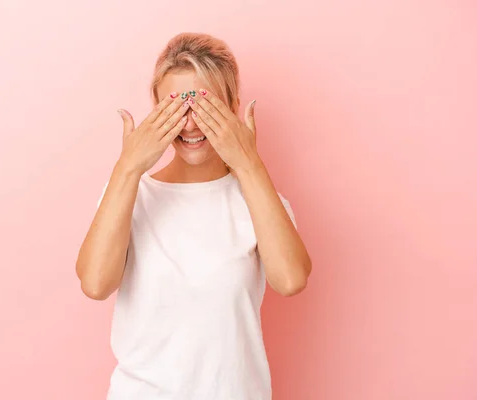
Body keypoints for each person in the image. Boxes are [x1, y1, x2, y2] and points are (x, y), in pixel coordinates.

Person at [75, 32, 312, 400]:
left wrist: (248, 163)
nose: (190, 125)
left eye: (205, 106)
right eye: (176, 108)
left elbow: (292, 279)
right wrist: (127, 169)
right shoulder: (130, 193)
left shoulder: (259, 199)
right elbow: (94, 284)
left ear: (232, 107)